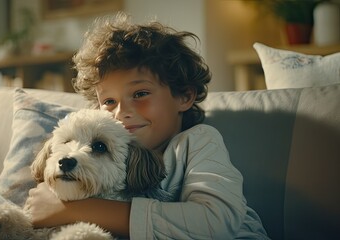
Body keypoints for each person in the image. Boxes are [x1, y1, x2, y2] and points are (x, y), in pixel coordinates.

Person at [24, 12, 269, 239]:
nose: (121, 112)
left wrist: (76, 210)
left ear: (184, 96)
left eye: (140, 94)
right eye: (109, 101)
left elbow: (216, 222)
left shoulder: (198, 141)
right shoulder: (98, 160)